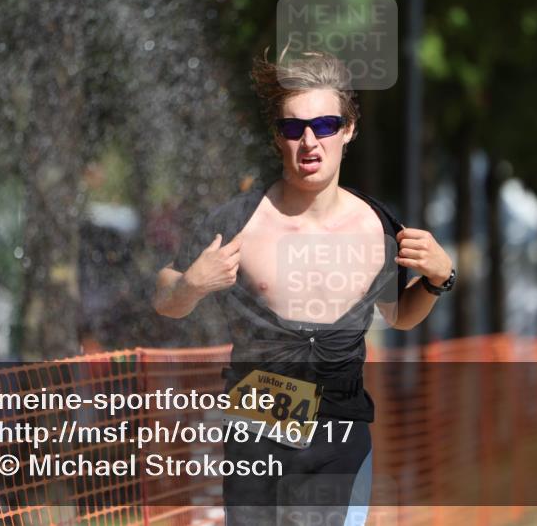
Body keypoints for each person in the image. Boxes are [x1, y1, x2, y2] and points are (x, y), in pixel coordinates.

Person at [153, 51, 454, 524]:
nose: (310, 142)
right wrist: (191, 286)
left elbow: (398, 315)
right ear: (278, 137)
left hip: (339, 434)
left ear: (349, 129)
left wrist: (439, 280)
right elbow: (164, 296)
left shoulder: (379, 229)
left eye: (325, 125)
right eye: (293, 128)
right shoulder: (240, 222)